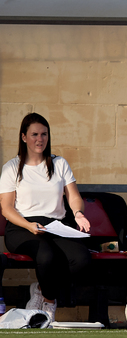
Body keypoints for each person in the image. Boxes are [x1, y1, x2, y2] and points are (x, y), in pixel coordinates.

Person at [0, 113, 91, 322]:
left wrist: (78, 214)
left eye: (44, 134)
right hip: (21, 227)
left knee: (82, 259)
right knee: (46, 256)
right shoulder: (12, 167)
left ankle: (41, 290)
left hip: (54, 225)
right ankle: (50, 302)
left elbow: (74, 196)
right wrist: (29, 225)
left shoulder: (59, 164)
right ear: (23, 137)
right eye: (34, 135)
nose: (39, 139)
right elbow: (6, 208)